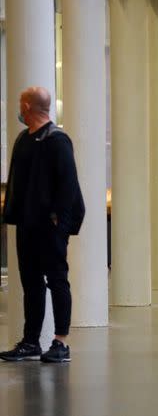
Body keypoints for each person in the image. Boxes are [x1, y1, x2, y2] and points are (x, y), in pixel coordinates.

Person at [0, 87, 85, 363]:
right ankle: (30, 341)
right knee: (31, 283)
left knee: (57, 279)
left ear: (26, 106)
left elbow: (68, 185)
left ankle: (61, 342)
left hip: (50, 227)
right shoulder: (24, 139)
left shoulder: (57, 140)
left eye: (19, 104)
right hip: (27, 225)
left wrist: (59, 223)